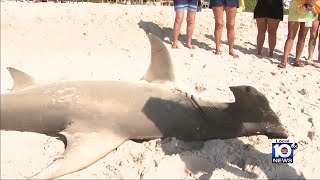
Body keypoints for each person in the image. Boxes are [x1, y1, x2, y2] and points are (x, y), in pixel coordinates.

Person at [278, 0, 317, 68]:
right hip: (297, 7)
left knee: (303, 36)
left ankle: (297, 59)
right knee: (291, 36)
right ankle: (284, 60)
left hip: (310, 11)